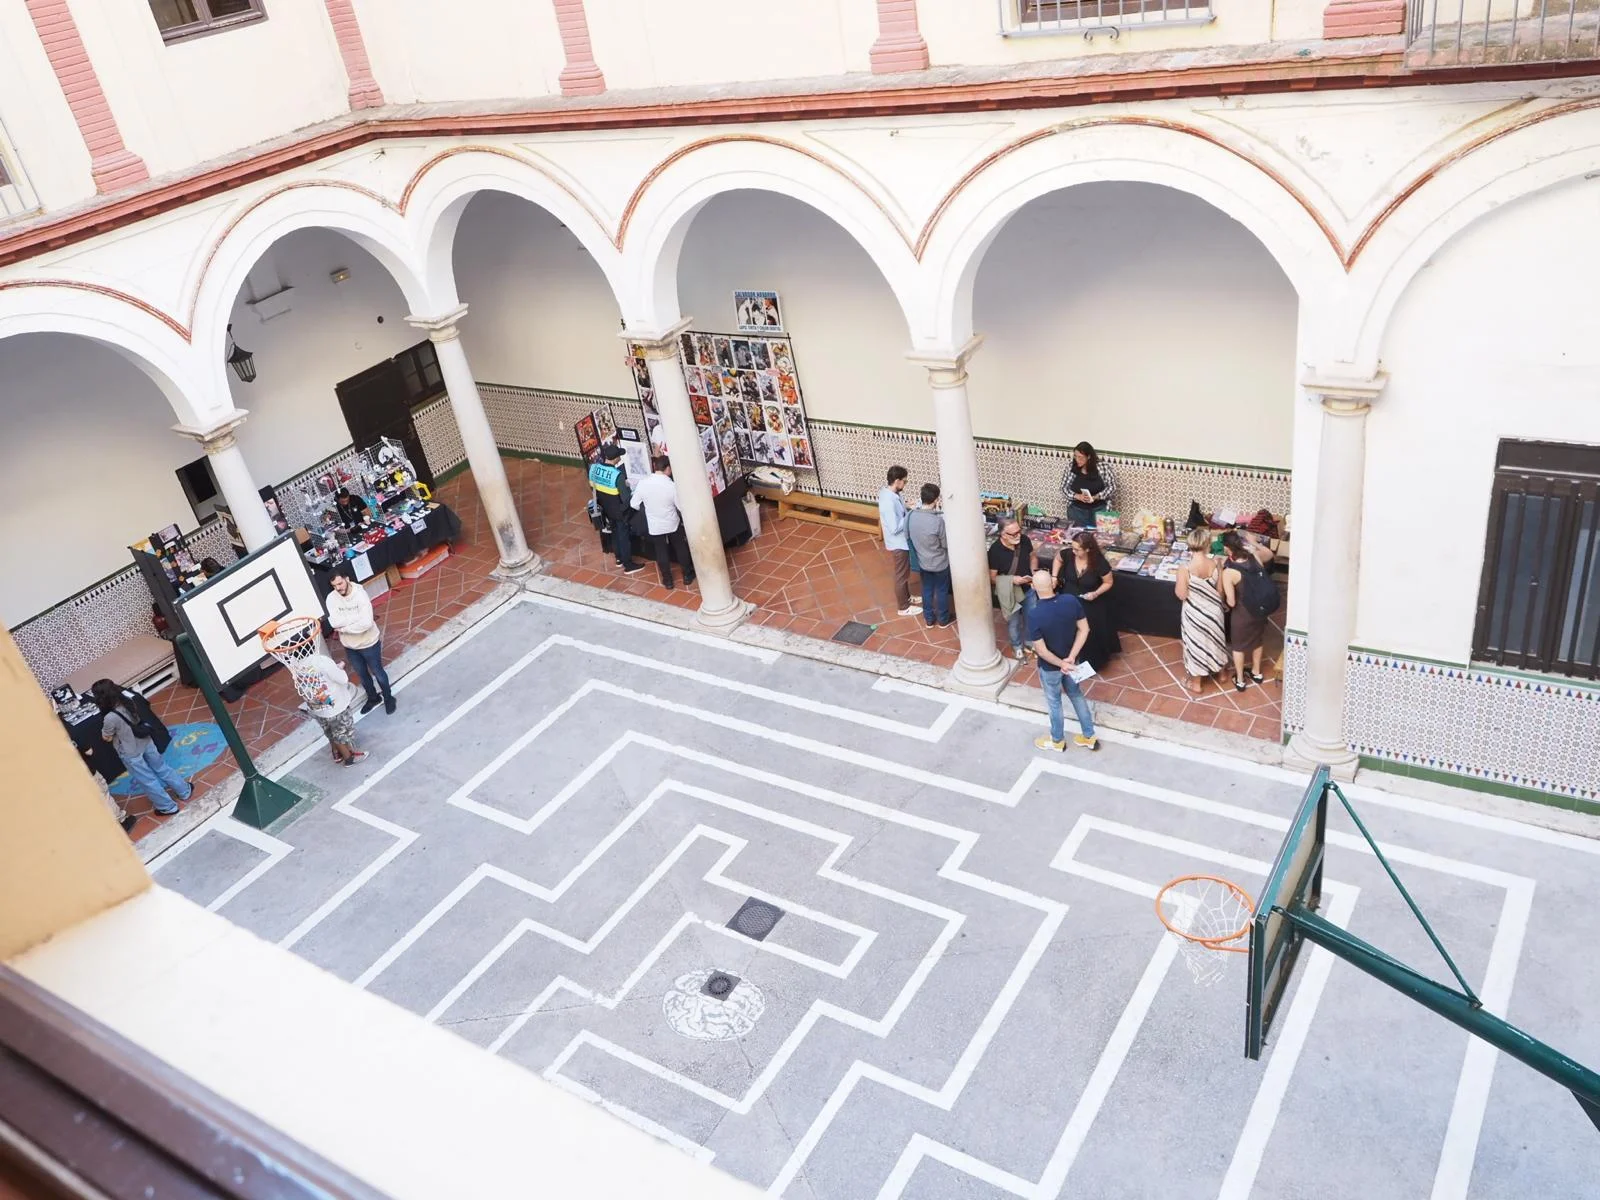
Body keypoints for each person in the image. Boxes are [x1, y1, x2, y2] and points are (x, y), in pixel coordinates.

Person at [92, 679, 191, 816]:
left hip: (130, 752)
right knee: (162, 767)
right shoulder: (129, 701)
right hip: (146, 741)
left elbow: (106, 737)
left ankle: (167, 807)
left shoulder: (110, 718)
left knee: (147, 780)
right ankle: (184, 790)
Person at [1027, 570, 1098, 751]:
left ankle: (1057, 740)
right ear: (1053, 584)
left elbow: (1041, 651)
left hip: (1051, 667)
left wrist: (1062, 664)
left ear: (1033, 587)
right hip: (1073, 662)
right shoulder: (1070, 601)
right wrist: (1072, 658)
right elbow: (1084, 629)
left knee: (1054, 702)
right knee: (1076, 695)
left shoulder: (1035, 614)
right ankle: (1089, 736)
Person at [326, 565, 395, 714]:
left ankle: (388, 697)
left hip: (369, 643)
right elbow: (334, 623)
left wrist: (344, 627)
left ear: (347, 579)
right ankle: (373, 698)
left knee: (378, 672)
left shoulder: (360, 595)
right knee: (362, 675)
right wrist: (354, 619)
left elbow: (366, 624)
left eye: (340, 584)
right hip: (350, 646)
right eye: (334, 586)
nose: (338, 588)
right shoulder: (331, 598)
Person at [1051, 531, 1120, 670]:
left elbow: (1108, 582)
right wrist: (1054, 576)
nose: (1074, 551)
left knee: (1089, 631)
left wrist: (1095, 593)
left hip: (1089, 602)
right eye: (1073, 548)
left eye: (1077, 549)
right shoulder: (1069, 554)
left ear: (1088, 549)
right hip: (1069, 599)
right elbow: (1058, 558)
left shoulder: (1099, 563)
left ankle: (1090, 661)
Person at [1220, 530, 1277, 692]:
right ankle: (1256, 672)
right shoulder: (1254, 557)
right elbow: (1269, 554)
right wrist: (1254, 542)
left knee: (1238, 647)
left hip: (1242, 614)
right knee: (1257, 640)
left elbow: (1231, 602)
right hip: (1260, 610)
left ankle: (1239, 679)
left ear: (1227, 548)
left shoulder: (1229, 571)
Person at [1174, 528, 1229, 694]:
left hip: (1195, 615)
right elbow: (1220, 591)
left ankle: (1196, 683)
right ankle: (1222, 673)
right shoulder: (1215, 564)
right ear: (1207, 545)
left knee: (1196, 646)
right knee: (1216, 641)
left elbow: (1182, 594)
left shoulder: (1184, 569)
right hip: (1214, 613)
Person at [290, 650, 368, 765]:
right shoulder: (322, 661)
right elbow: (342, 679)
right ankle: (349, 758)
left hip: (315, 705)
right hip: (335, 704)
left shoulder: (294, 665)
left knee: (329, 730)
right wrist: (339, 668)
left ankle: (336, 753)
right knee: (341, 732)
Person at [631, 456, 695, 589]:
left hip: (655, 525)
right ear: (668, 469)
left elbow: (634, 504)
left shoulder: (643, 483)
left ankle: (668, 580)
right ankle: (687, 575)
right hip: (672, 522)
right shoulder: (671, 486)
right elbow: (680, 506)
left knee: (661, 551)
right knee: (680, 547)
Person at [590, 443, 645, 576]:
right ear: (615, 459)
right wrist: (629, 488)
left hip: (605, 509)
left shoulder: (594, 468)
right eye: (619, 456)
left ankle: (619, 558)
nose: (620, 458)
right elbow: (626, 498)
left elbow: (593, 487)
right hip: (619, 510)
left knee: (614, 532)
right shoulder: (617, 475)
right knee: (623, 535)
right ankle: (628, 564)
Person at [988, 518, 1038, 659]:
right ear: (1003, 534)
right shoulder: (995, 550)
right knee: (1013, 621)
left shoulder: (1025, 540)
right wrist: (1012, 580)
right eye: (1013, 534)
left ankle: (1029, 642)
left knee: (1031, 617)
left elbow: (1033, 557)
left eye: (1019, 532)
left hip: (1028, 588)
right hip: (1010, 592)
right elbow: (992, 577)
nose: (1018, 536)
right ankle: (1016, 645)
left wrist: (1033, 573)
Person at [907, 483, 952, 628]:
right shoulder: (937, 521)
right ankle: (943, 619)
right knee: (941, 590)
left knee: (926, 589)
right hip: (940, 563)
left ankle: (928, 619)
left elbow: (907, 536)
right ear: (936, 500)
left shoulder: (911, 516)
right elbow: (945, 544)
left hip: (922, 561)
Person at [877, 465, 920, 617]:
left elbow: (900, 508)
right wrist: (910, 514)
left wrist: (908, 506)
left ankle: (907, 597)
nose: (905, 484)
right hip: (898, 543)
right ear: (897, 481)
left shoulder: (893, 494)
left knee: (905, 572)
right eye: (904, 481)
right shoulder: (888, 501)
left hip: (902, 541)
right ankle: (903, 607)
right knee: (901, 575)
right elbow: (895, 527)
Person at [1059, 442, 1118, 530]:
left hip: (1100, 510)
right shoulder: (1071, 467)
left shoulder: (1103, 467)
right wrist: (1077, 496)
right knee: (1079, 537)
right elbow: (1063, 488)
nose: (1077, 460)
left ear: (1089, 456)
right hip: (1076, 511)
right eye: (1075, 456)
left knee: (1102, 538)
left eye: (1080, 457)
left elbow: (1112, 487)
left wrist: (1096, 497)